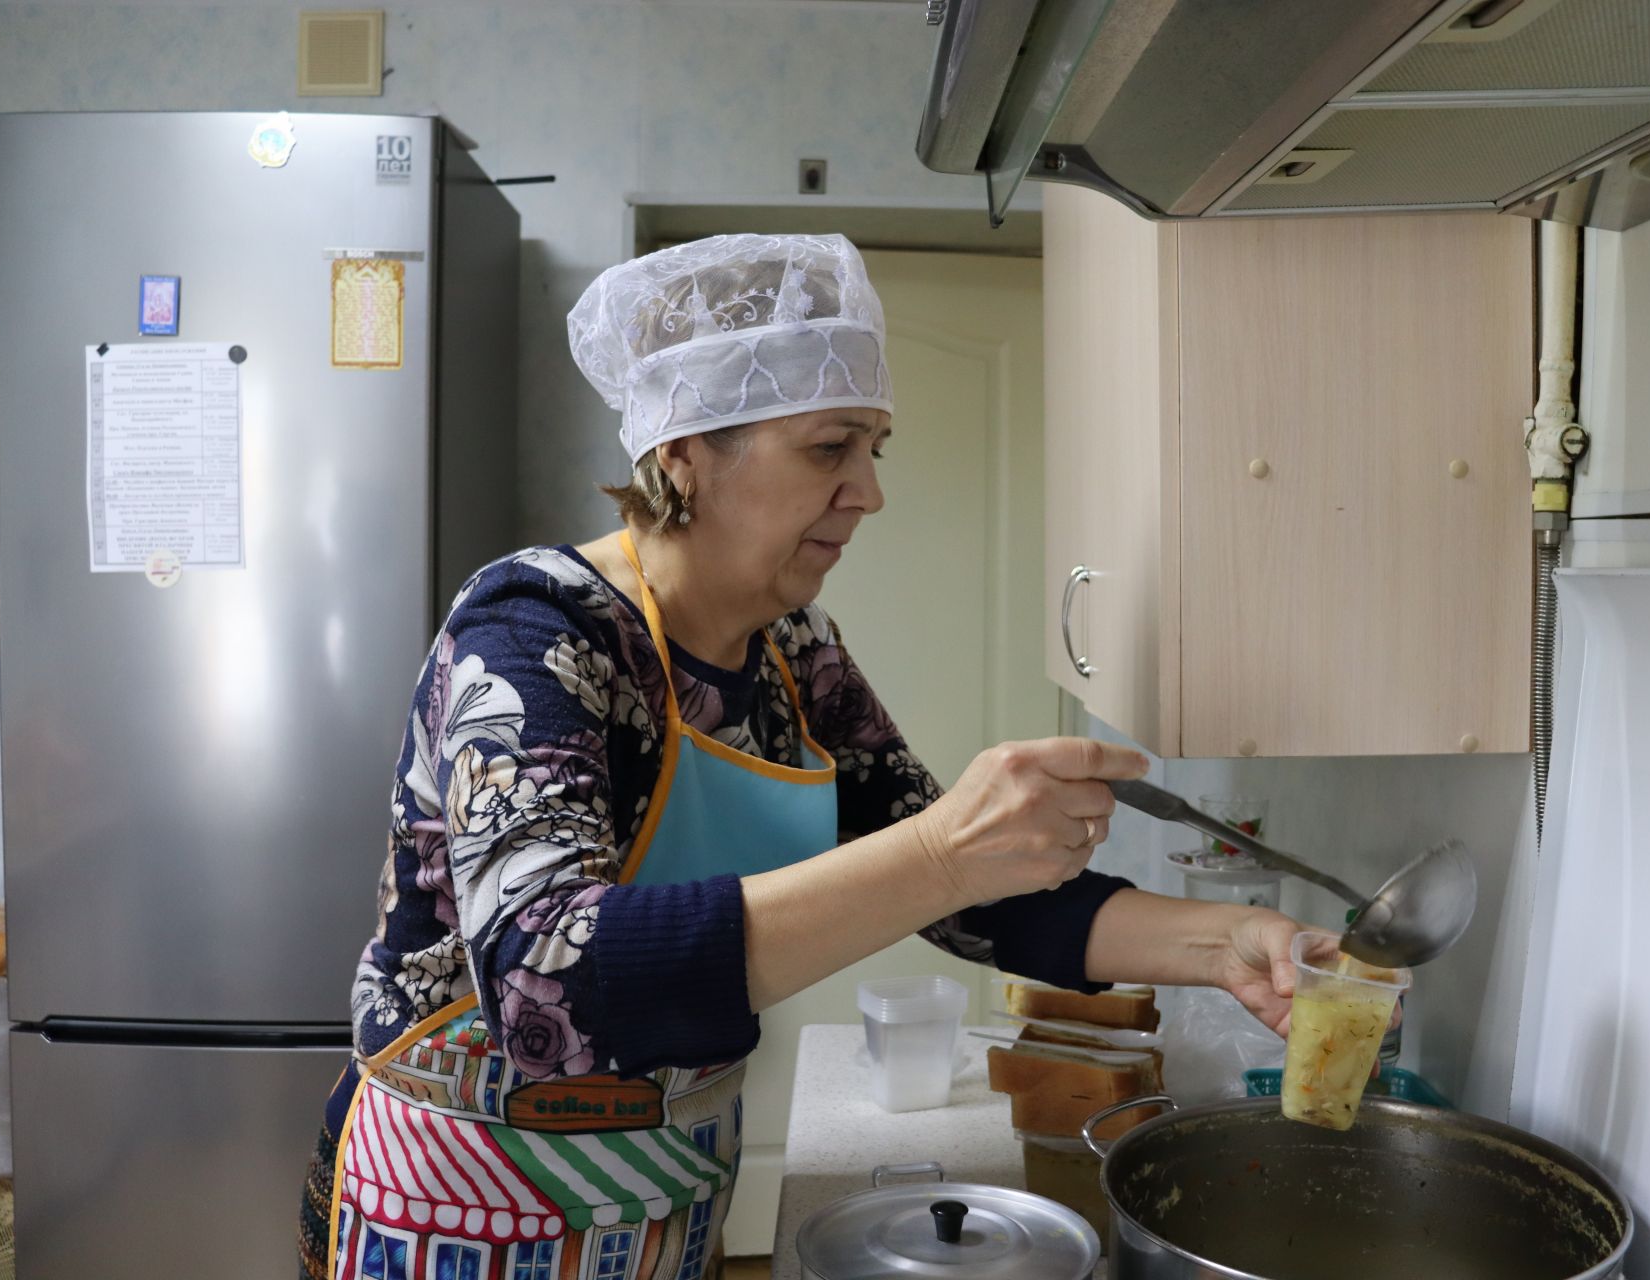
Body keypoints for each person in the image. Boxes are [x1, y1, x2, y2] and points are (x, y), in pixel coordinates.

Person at [298, 234, 1306, 1280]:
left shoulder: (793, 652)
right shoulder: (535, 631)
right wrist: (946, 851)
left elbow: (979, 895)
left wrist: (1229, 940)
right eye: (830, 448)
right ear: (684, 450)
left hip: (669, 1184)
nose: (868, 490)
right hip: (460, 1197)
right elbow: (547, 976)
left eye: (875, 447)